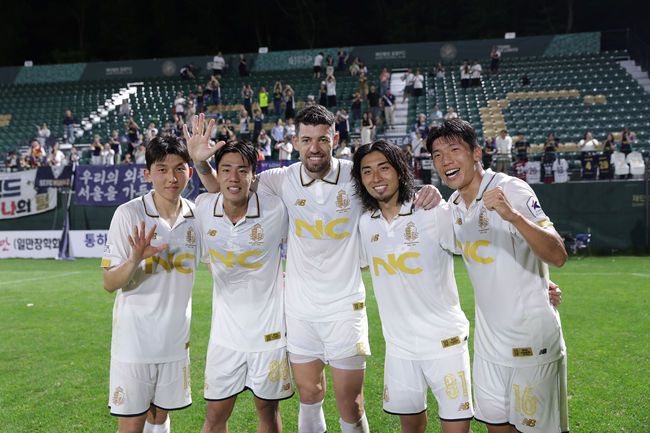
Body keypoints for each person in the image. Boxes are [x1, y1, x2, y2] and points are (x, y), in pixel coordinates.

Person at [186, 108, 440, 433]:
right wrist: (201, 164)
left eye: (322, 139)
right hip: (300, 310)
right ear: (295, 142)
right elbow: (231, 188)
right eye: (306, 140)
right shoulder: (281, 179)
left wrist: (424, 192)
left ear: (335, 139)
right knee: (309, 394)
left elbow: (388, 188)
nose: (314, 147)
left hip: (345, 307)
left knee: (351, 404)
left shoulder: (354, 175)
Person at [428, 119, 568, 433]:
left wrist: (513, 216)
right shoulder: (453, 206)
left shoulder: (510, 189)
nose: (446, 160)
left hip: (531, 344)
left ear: (476, 153)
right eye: (437, 155)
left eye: (454, 150)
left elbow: (558, 254)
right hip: (488, 349)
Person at [352, 140, 473, 433]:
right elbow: (347, 265)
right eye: (367, 171)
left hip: (445, 342)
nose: (376, 177)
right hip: (399, 347)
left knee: (456, 429)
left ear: (400, 170)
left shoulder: (431, 210)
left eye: (384, 168)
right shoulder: (366, 223)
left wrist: (536, 280)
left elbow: (478, 251)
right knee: (411, 426)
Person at [191, 141, 293, 433]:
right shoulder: (203, 207)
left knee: (267, 411)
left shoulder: (275, 209)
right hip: (225, 335)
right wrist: (199, 163)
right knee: (215, 415)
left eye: (242, 170)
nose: (233, 177)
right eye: (226, 170)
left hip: (270, 334)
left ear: (253, 175)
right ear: (218, 173)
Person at [102, 135, 200, 433]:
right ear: (147, 174)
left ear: (189, 172)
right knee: (132, 423)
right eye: (162, 169)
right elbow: (109, 282)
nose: (172, 178)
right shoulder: (129, 213)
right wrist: (134, 259)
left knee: (160, 417)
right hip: (135, 342)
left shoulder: (197, 216)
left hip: (175, 340)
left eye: (179, 168)